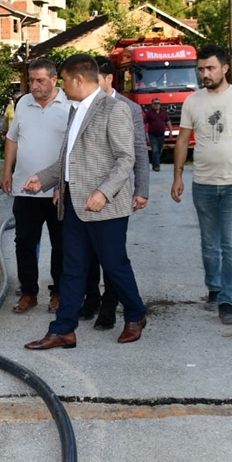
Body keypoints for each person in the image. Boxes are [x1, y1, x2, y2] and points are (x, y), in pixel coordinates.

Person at [21, 54, 147, 349]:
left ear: (78, 80)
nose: (62, 87)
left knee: (115, 266)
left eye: (64, 80)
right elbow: (69, 158)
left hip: (105, 207)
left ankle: (135, 314)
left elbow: (126, 158)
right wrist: (44, 178)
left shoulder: (114, 109)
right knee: (73, 268)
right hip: (75, 204)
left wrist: (104, 191)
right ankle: (63, 329)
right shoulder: (74, 110)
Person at [171, 44, 232, 326]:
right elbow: (182, 140)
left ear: (225, 68)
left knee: (231, 243)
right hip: (203, 183)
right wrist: (178, 175)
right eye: (201, 68)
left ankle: (227, 300)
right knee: (209, 244)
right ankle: (214, 287)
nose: (205, 73)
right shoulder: (193, 101)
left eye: (211, 68)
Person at [81, 56, 150, 330]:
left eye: (95, 79)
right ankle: (91, 299)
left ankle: (110, 305)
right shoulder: (82, 106)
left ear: (109, 78)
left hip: (114, 193)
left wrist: (142, 189)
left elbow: (138, 153)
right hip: (84, 193)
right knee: (87, 254)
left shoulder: (128, 108)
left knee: (111, 254)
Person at [2, 58, 70, 314]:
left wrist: (61, 183)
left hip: (57, 190)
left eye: (40, 80)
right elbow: (12, 139)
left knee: (61, 244)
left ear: (54, 80)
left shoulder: (70, 105)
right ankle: (29, 292)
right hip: (25, 188)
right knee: (25, 243)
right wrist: (7, 171)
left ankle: (59, 293)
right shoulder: (23, 103)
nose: (34, 85)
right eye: (31, 80)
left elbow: (74, 149)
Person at [143, 97, 167, 172]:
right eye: (155, 103)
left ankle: (154, 163)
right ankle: (157, 166)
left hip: (161, 134)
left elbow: (168, 121)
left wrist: (170, 131)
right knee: (155, 150)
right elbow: (144, 123)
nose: (157, 105)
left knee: (159, 150)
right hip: (152, 135)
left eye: (158, 103)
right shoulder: (149, 113)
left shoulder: (163, 112)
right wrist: (144, 132)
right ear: (152, 104)